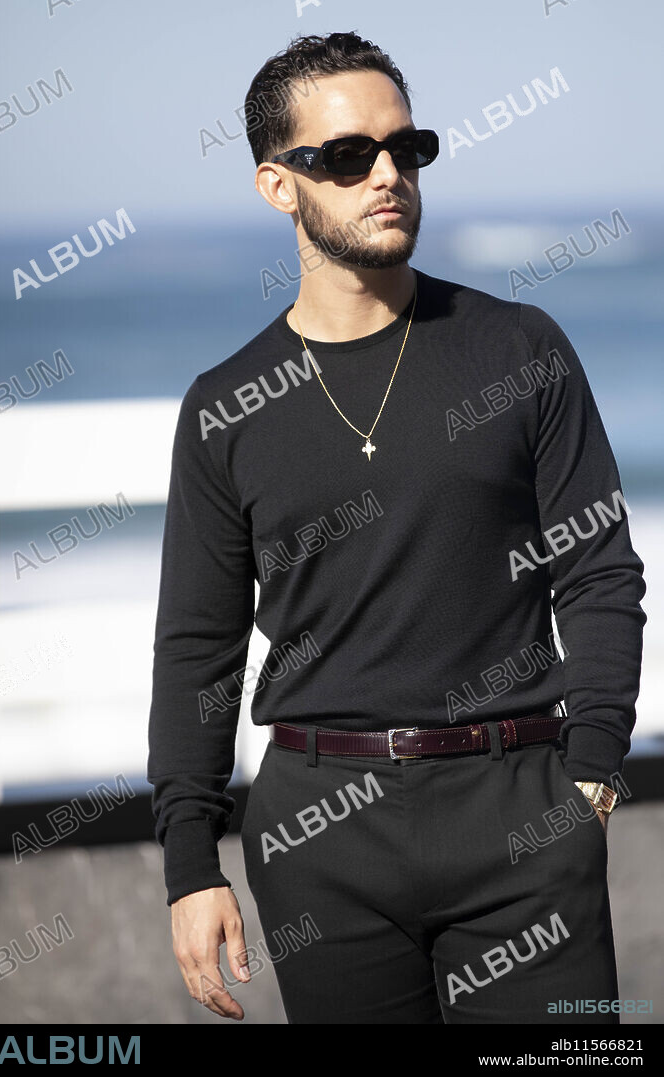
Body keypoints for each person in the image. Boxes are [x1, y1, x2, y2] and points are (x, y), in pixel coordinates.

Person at [147, 31, 647, 1024]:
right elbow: (196, 651)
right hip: (319, 839)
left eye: (404, 149)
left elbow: (596, 572)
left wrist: (588, 769)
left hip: (520, 815)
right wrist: (189, 864)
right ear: (276, 186)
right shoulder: (226, 408)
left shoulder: (518, 349)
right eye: (345, 156)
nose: (386, 175)